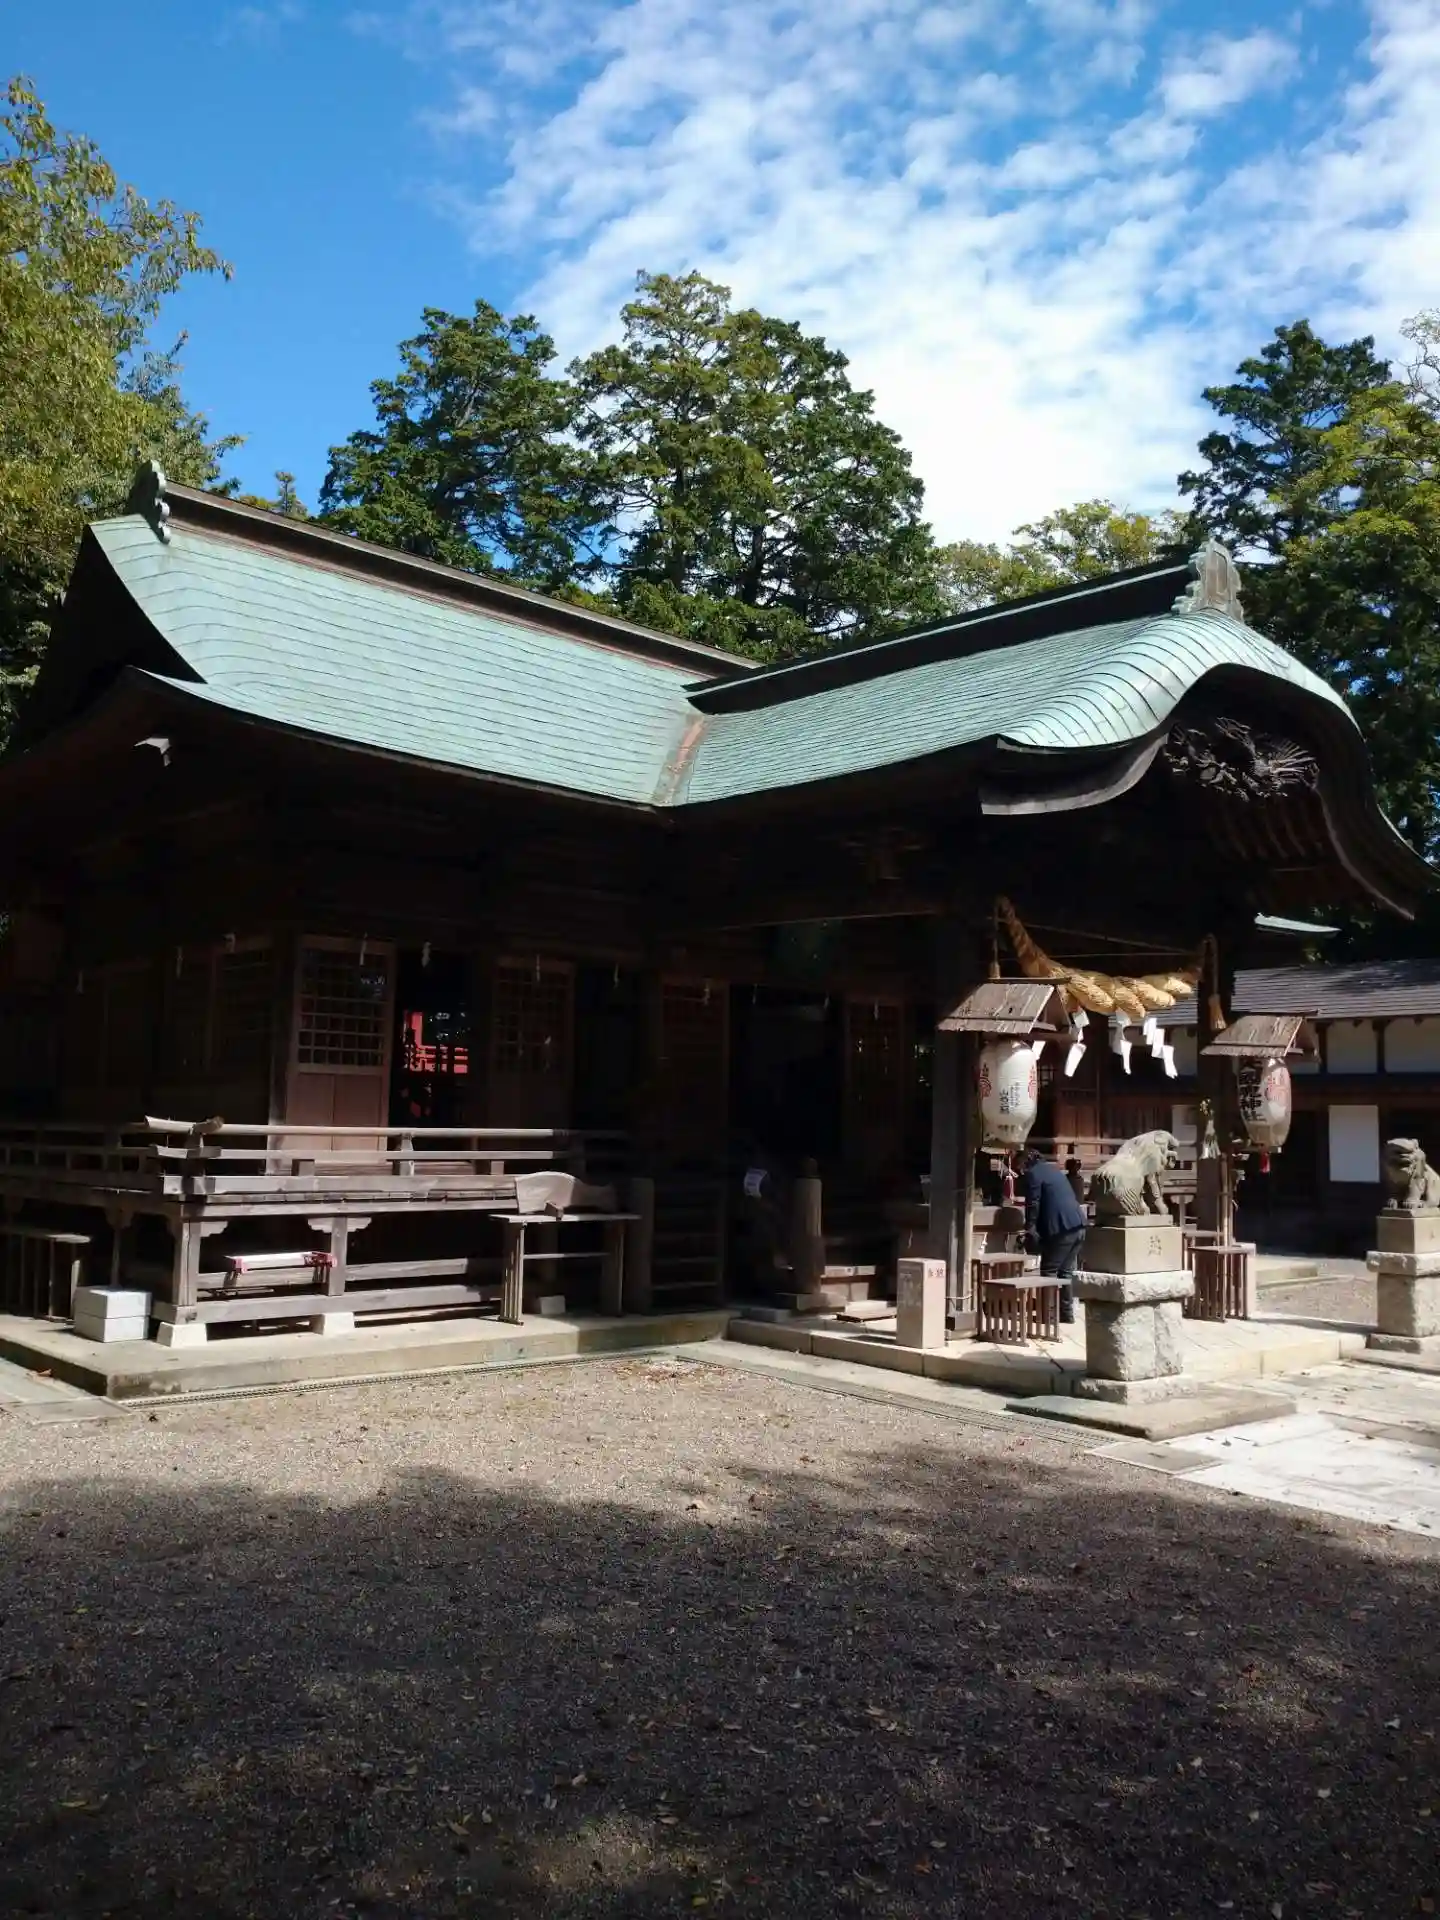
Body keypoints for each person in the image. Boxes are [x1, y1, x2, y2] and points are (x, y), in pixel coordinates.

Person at [1020, 1146, 1087, 1322]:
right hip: (1078, 1224)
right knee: (1065, 1272)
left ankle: (1048, 1314)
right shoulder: (1053, 1170)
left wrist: (1030, 1228)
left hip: (1061, 1228)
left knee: (1049, 1270)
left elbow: (1033, 1203)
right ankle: (1066, 1314)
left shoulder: (1034, 1173)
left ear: (1027, 1161)